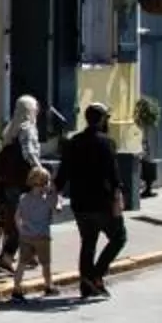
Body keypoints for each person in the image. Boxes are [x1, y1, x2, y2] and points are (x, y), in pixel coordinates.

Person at [58, 102, 126, 299]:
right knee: (119, 237)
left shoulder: (74, 142)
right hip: (102, 202)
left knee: (88, 242)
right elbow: (114, 174)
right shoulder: (107, 143)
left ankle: (86, 285)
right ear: (103, 119)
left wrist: (56, 190)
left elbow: (63, 172)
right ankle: (96, 274)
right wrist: (118, 195)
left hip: (80, 203)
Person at [0, 118, 39, 269]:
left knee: (13, 224)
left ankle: (23, 253)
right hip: (17, 192)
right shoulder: (23, 152)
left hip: (9, 193)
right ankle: (9, 255)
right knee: (18, 224)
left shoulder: (7, 150)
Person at [10, 166, 60, 293]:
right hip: (42, 236)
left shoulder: (23, 198)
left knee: (21, 263)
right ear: (45, 183)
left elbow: (17, 217)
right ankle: (48, 285)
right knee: (46, 264)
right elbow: (57, 210)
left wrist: (21, 230)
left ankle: (16, 288)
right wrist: (54, 194)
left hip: (26, 235)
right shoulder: (47, 200)